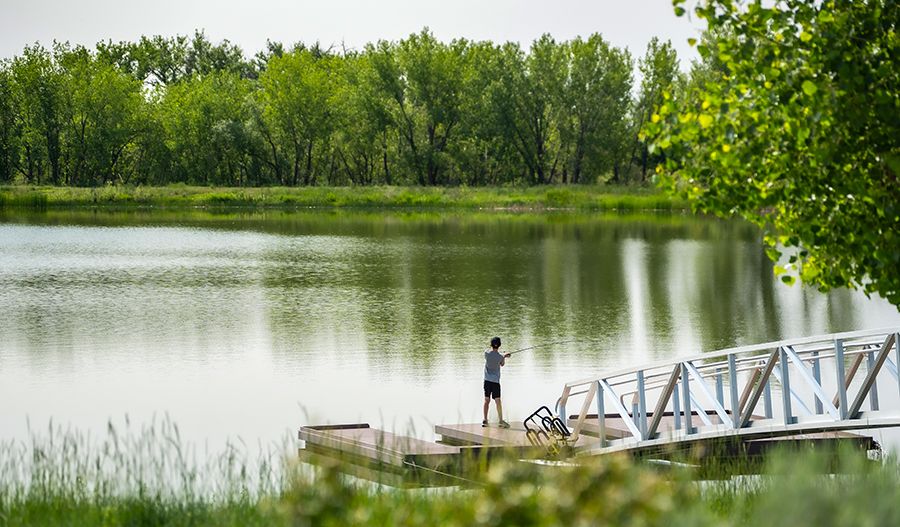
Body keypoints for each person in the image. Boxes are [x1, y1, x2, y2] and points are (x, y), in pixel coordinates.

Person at [483, 336, 511, 428]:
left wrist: (502, 355)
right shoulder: (500, 357)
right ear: (499, 345)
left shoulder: (486, 353)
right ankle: (500, 421)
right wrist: (504, 356)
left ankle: (485, 420)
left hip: (487, 381)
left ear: (491, 344)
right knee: (498, 401)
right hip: (495, 382)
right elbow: (502, 364)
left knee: (487, 400)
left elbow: (490, 351)